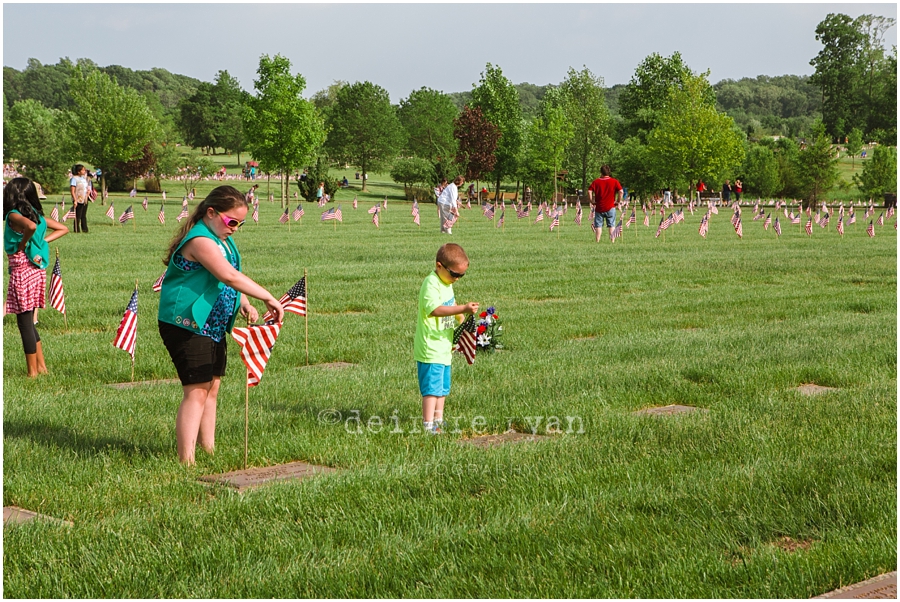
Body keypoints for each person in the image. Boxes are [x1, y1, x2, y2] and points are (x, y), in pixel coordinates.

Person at [157, 185, 284, 464]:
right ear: (211, 212)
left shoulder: (222, 239)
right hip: (187, 324)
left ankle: (208, 450)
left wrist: (243, 303)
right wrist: (267, 298)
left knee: (212, 387)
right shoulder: (201, 241)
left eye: (241, 223)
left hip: (212, 326)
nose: (236, 228)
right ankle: (186, 461)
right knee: (196, 389)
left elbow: (231, 276)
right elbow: (227, 275)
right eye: (232, 221)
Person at [4, 178, 68, 377]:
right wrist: (42, 243)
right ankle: (42, 367)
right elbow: (63, 228)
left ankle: (32, 372)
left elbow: (30, 227)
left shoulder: (14, 215)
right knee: (29, 322)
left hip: (22, 271)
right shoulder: (38, 215)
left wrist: (23, 244)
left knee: (24, 323)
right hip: (36, 271)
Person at [414, 243, 478, 434]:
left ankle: (438, 421)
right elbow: (435, 309)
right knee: (431, 390)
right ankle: (427, 426)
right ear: (439, 265)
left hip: (444, 345)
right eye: (454, 274)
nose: (457, 279)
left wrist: (461, 318)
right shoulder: (431, 283)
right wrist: (462, 309)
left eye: (461, 276)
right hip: (430, 346)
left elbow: (451, 304)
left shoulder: (446, 282)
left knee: (442, 388)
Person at [587, 165, 623, 243]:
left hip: (599, 207)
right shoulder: (614, 181)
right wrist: (618, 201)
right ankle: (612, 241)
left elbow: (589, 191)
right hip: (611, 207)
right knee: (611, 225)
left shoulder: (596, 181)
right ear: (609, 172)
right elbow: (621, 191)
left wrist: (591, 201)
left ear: (601, 172)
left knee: (598, 225)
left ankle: (597, 241)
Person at [70, 164, 89, 233]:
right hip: (78, 199)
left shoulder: (84, 179)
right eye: (83, 170)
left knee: (83, 215)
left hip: (84, 199)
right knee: (78, 215)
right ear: (78, 171)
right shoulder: (74, 179)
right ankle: (76, 229)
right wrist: (75, 200)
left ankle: (85, 229)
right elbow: (72, 190)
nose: (84, 171)